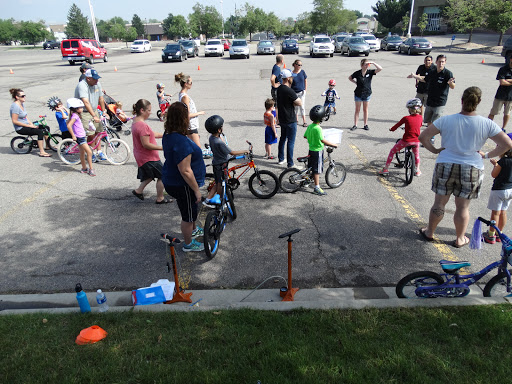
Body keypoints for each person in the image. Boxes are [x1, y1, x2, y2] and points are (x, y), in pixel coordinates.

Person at [418, 86, 512, 248]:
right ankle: (460, 238)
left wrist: (435, 150)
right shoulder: (486, 123)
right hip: (471, 167)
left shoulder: (446, 120)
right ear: (479, 102)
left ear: (462, 101)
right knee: (462, 206)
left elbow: (424, 136)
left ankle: (430, 232)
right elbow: (506, 144)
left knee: (439, 203)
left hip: (446, 163)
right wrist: (487, 155)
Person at [162, 102, 206, 252]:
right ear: (183, 118)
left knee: (190, 209)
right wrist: (196, 190)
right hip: (182, 185)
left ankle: (194, 231)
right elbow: (185, 171)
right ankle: (188, 244)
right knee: (187, 215)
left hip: (172, 179)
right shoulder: (181, 142)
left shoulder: (169, 134)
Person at [203, 115, 247, 207]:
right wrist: (245, 151)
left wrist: (220, 135)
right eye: (221, 126)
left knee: (218, 182)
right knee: (221, 184)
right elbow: (232, 152)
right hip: (221, 165)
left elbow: (220, 140)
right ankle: (219, 200)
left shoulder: (212, 138)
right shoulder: (218, 142)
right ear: (219, 130)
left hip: (217, 163)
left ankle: (208, 199)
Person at [130, 99, 169, 204]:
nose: (150, 112)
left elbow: (151, 134)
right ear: (142, 110)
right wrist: (163, 147)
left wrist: (165, 135)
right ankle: (160, 198)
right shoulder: (142, 125)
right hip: (148, 157)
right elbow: (146, 144)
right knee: (163, 175)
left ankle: (138, 191)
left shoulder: (135, 121)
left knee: (149, 175)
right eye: (149, 110)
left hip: (140, 155)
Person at [379, 98, 423, 177]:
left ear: (409, 109)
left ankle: (385, 169)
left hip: (406, 141)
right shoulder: (420, 118)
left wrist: (391, 129)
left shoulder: (406, 118)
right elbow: (418, 126)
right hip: (416, 141)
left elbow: (397, 125)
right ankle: (417, 170)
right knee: (416, 155)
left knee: (392, 151)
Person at [480, 136, 512, 244]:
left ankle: (491, 235)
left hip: (499, 190)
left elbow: (494, 174)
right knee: (503, 212)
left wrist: (495, 165)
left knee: (495, 213)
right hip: (510, 190)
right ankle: (500, 233)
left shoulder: (503, 161)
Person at [304, 105, 338, 196]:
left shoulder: (310, 126)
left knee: (310, 167)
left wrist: (312, 138)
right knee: (317, 170)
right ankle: (317, 187)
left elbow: (305, 136)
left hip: (311, 149)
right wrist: (333, 144)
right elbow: (323, 140)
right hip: (317, 151)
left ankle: (306, 180)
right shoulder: (318, 128)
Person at [74, 68, 107, 161]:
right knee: (91, 134)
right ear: (88, 78)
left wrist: (103, 112)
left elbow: (101, 98)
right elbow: (86, 102)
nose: (97, 81)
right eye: (95, 79)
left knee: (99, 131)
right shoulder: (82, 85)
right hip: (84, 112)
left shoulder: (97, 84)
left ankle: (99, 151)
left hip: (94, 110)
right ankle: (91, 152)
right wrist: (94, 116)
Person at [9, 88, 51, 157]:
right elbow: (15, 121)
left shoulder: (22, 104)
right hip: (21, 128)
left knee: (46, 127)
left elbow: (25, 116)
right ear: (17, 97)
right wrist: (29, 126)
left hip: (27, 125)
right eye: (22, 96)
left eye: (24, 95)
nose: (24, 97)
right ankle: (42, 152)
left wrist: (31, 124)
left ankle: (47, 146)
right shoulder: (15, 107)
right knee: (40, 132)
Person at [277, 68, 302, 167]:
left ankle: (281, 158)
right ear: (287, 78)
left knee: (283, 138)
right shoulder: (289, 91)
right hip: (290, 119)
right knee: (291, 141)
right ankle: (290, 164)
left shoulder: (279, 88)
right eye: (291, 77)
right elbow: (299, 102)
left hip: (282, 118)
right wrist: (293, 102)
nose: (292, 78)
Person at [348, 59, 383, 131]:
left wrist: (373, 62)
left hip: (367, 93)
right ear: (362, 65)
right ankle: (355, 125)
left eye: (368, 64)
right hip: (358, 93)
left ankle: (365, 124)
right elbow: (350, 78)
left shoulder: (370, 72)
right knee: (357, 110)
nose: (367, 66)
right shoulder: (357, 73)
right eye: (365, 64)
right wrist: (355, 82)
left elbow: (380, 69)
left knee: (365, 110)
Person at [66, 98, 95, 176]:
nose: (82, 109)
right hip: (79, 137)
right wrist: (73, 135)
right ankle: (91, 169)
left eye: (82, 107)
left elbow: (69, 123)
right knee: (89, 152)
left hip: (81, 135)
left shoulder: (75, 115)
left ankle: (84, 168)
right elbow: (69, 125)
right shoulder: (75, 115)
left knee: (82, 152)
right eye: (80, 108)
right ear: (74, 109)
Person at [175, 72, 205, 148]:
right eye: (191, 82)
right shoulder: (185, 97)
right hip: (191, 126)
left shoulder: (181, 94)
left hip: (190, 126)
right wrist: (199, 113)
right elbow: (187, 115)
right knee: (198, 149)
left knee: (191, 147)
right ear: (186, 84)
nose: (192, 84)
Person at [488, 55, 512, 131]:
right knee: (493, 112)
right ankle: (487, 126)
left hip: (510, 96)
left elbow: (505, 81)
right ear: (511, 59)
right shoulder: (503, 69)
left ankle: (503, 128)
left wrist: (508, 80)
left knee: (507, 113)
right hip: (500, 95)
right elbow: (502, 82)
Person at [291, 59, 308, 127]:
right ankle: (296, 120)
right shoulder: (292, 73)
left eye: (301, 65)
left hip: (301, 92)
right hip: (294, 92)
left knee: (302, 106)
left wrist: (305, 90)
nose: (300, 66)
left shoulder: (302, 72)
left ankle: (304, 121)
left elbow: (305, 80)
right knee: (295, 107)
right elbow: (290, 83)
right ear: (295, 65)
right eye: (299, 65)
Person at [270, 54, 285, 124]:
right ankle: (278, 121)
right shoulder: (277, 68)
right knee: (277, 106)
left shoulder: (276, 67)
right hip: (276, 90)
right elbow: (272, 78)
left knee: (277, 105)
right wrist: (274, 85)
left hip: (277, 90)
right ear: (282, 61)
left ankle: (278, 119)